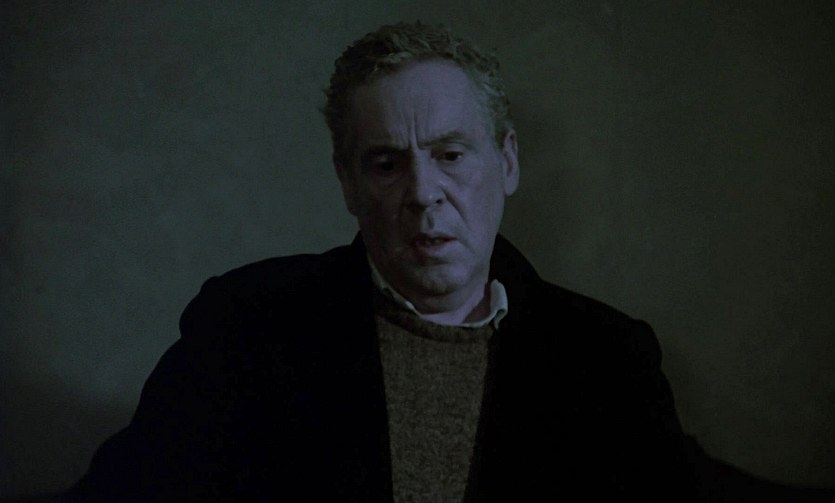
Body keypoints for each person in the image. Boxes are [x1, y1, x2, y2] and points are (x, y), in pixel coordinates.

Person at [64, 22, 832, 502]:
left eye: (450, 154)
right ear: (347, 182)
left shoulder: (605, 355)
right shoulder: (245, 325)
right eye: (386, 162)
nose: (423, 193)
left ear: (507, 162)